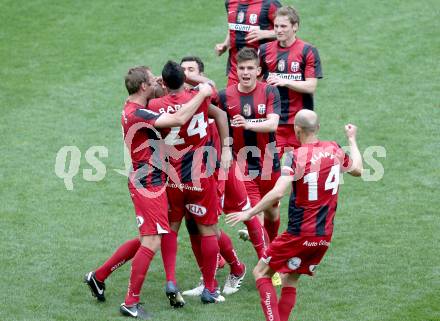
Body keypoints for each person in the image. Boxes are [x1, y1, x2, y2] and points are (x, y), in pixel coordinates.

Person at [84, 66, 213, 320]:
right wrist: (202, 94)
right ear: (143, 87)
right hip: (148, 181)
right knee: (153, 241)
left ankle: (98, 277)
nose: (157, 81)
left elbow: (157, 97)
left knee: (148, 237)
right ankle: (130, 302)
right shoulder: (139, 113)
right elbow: (177, 120)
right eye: (152, 79)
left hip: (149, 178)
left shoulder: (131, 106)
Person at [226, 109, 363, 321]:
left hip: (299, 234)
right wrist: (352, 139)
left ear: (297, 129)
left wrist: (250, 212)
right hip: (324, 236)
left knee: (261, 273)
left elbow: (278, 192)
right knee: (290, 279)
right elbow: (358, 170)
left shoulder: (294, 156)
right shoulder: (334, 149)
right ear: (317, 128)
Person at [148, 61, 231, 304]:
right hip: (200, 176)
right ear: (184, 80)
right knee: (207, 230)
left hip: (172, 178)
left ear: (163, 83)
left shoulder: (155, 105)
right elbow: (211, 88)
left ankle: (171, 280)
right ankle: (210, 288)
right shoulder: (201, 97)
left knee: (171, 228)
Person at [179, 56, 248, 296]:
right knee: (192, 226)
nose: (186, 74)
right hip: (184, 174)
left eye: (191, 70)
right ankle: (207, 278)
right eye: (183, 70)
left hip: (209, 171)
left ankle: (236, 269)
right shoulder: (179, 98)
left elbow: (219, 114)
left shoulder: (203, 96)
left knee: (208, 226)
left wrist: (227, 151)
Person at [218, 47, 282, 254]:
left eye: (250, 68)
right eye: (241, 68)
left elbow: (272, 125)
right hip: (242, 163)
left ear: (258, 70)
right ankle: (267, 261)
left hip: (269, 162)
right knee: (254, 214)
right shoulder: (224, 96)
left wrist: (246, 124)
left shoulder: (270, 91)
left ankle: (271, 246)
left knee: (272, 212)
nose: (245, 72)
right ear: (236, 70)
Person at [259, 6, 323, 159]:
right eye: (276, 26)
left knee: (303, 170)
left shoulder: (308, 51)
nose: (279, 30)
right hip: (274, 121)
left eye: (283, 26)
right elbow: (257, 81)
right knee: (269, 170)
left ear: (295, 27)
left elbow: (311, 86)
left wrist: (284, 82)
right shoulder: (264, 50)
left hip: (300, 124)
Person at [215, 0, 282, 86]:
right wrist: (225, 44)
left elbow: (287, 31)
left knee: (258, 99)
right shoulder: (230, 2)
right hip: (236, 67)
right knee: (232, 98)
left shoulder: (270, 4)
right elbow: (234, 26)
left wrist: (265, 33)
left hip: (261, 69)